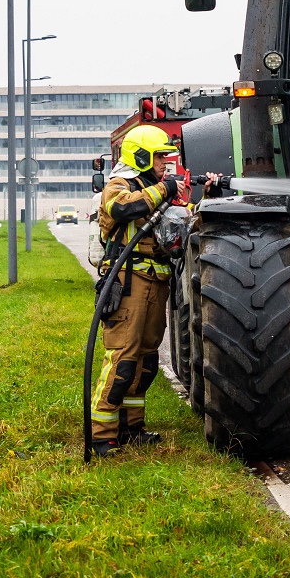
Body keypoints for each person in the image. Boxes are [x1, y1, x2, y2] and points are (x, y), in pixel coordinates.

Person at [89, 125, 180, 456]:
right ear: (140, 156)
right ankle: (102, 435)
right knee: (122, 358)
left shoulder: (159, 188)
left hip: (156, 281)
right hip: (128, 282)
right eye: (159, 157)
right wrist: (164, 189)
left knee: (146, 361)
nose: (164, 164)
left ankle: (132, 428)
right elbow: (121, 209)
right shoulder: (119, 185)